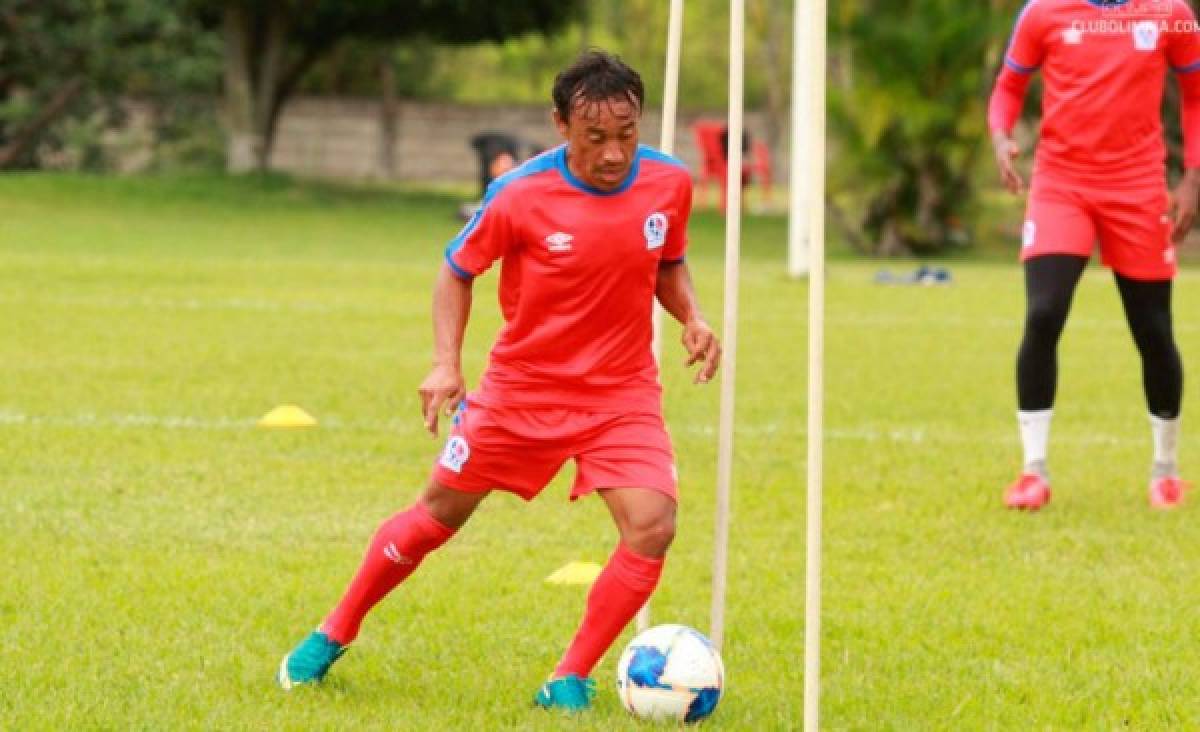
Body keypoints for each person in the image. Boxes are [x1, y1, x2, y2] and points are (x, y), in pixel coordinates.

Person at [276, 49, 721, 712]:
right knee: (436, 516)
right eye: (595, 137)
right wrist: (445, 362)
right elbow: (457, 270)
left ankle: (567, 678)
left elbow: (667, 262)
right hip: (523, 389)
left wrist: (692, 316)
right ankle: (333, 630)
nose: (613, 153)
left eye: (626, 135)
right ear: (559, 125)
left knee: (653, 524)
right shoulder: (520, 195)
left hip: (621, 393)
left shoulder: (668, 182)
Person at [988, 0, 1200, 510]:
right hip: (1062, 184)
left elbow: (1195, 97)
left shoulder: (1170, 13)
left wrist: (1193, 176)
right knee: (1043, 314)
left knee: (1153, 330)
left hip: (1138, 187)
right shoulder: (1044, 12)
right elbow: (1008, 87)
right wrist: (1001, 137)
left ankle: (1165, 469)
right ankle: (1033, 470)